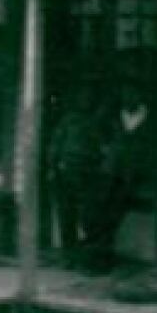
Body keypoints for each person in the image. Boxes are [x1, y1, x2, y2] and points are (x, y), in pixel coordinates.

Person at [85, 78, 152, 269]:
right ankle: (97, 260)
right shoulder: (112, 116)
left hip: (132, 177)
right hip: (108, 173)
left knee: (113, 217)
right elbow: (96, 134)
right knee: (99, 215)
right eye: (124, 94)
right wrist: (105, 150)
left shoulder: (148, 117)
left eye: (132, 93)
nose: (127, 97)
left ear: (140, 96)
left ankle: (101, 258)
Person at [47, 83, 102, 266]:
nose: (85, 100)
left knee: (88, 216)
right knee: (66, 215)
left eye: (88, 97)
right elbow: (55, 144)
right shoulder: (68, 120)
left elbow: (101, 149)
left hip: (88, 174)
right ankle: (68, 255)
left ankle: (87, 257)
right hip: (66, 173)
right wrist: (53, 167)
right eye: (82, 96)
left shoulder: (96, 121)